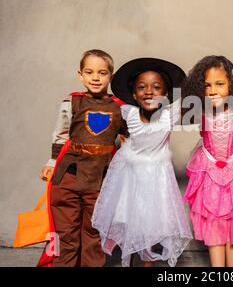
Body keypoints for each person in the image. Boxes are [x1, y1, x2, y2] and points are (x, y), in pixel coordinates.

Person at [92, 57, 192, 267]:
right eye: (142, 87)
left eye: (156, 87)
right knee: (132, 221)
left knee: (153, 223)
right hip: (130, 178)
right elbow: (101, 109)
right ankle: (132, 259)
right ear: (134, 94)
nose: (149, 91)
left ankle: (149, 264)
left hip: (157, 178)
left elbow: (196, 99)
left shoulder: (169, 114)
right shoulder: (128, 113)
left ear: (166, 95)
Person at [39, 49, 128, 267]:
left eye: (102, 73)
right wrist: (51, 163)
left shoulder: (120, 108)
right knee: (65, 232)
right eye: (89, 72)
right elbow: (60, 135)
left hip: (100, 180)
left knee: (93, 232)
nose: (95, 78)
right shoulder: (72, 102)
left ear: (111, 77)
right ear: (80, 75)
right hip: (68, 176)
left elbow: (129, 138)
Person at [182, 55, 233, 267]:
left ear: (231, 85)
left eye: (219, 84)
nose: (213, 90)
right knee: (214, 224)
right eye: (207, 85)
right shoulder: (201, 112)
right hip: (209, 172)